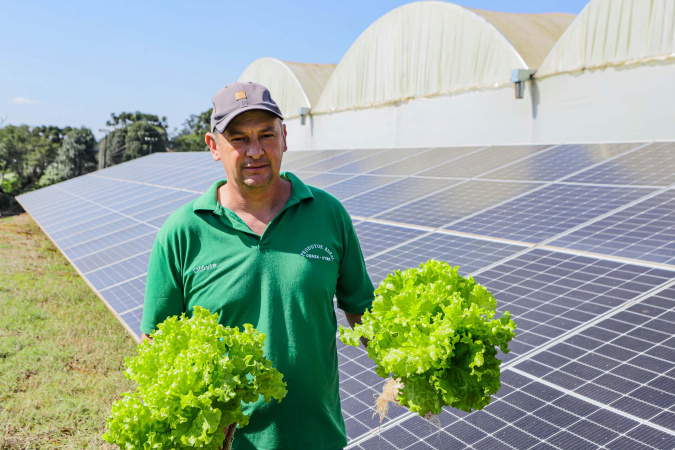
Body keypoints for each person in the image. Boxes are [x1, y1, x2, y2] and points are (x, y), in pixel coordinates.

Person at [140, 81, 374, 449]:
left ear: (284, 137)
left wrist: (411, 357)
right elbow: (156, 347)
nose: (255, 151)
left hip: (319, 438)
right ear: (213, 146)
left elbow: (363, 313)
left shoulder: (328, 214)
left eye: (266, 135)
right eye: (238, 139)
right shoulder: (183, 231)